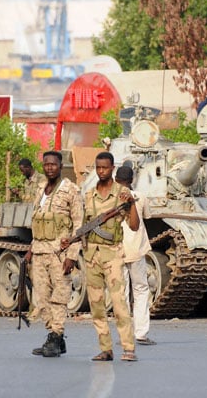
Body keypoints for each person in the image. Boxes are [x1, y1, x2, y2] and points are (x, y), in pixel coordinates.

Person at [24, 151, 83, 357]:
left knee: (59, 297)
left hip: (59, 253)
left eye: (54, 164)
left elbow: (78, 225)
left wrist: (72, 256)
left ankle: (57, 336)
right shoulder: (41, 189)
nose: (50, 167)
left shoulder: (70, 190)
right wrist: (31, 249)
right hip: (39, 251)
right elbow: (38, 220)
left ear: (61, 166)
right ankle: (53, 335)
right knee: (41, 298)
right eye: (46, 164)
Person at [82, 152, 139, 362]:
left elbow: (134, 226)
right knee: (96, 305)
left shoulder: (122, 194)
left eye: (105, 168)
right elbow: (83, 225)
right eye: (98, 168)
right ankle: (106, 348)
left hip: (112, 254)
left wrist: (131, 204)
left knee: (119, 304)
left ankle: (128, 347)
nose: (101, 171)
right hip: (92, 255)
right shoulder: (89, 195)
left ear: (112, 168)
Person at [115, 166, 156, 345]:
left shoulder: (110, 198)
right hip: (136, 249)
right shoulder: (140, 197)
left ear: (116, 179)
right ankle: (141, 333)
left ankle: (124, 334)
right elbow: (147, 216)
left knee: (121, 293)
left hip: (117, 250)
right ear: (132, 180)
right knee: (140, 290)